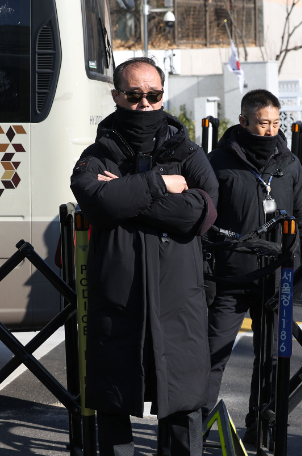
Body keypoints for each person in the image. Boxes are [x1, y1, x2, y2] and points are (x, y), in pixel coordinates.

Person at [70, 57, 218, 456]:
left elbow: (198, 214)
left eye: (153, 95)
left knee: (184, 404)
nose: (145, 103)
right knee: (113, 404)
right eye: (134, 95)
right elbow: (97, 203)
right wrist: (158, 184)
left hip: (179, 305)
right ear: (117, 95)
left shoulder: (188, 152)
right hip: (116, 304)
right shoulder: (96, 154)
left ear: (162, 94)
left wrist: (129, 192)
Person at [205, 89, 302, 443]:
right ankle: (196, 429)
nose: (270, 130)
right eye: (262, 123)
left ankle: (261, 428)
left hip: (276, 279)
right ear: (243, 122)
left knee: (271, 358)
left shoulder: (288, 165)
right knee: (213, 353)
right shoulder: (218, 162)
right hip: (230, 276)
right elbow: (204, 218)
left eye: (274, 123)